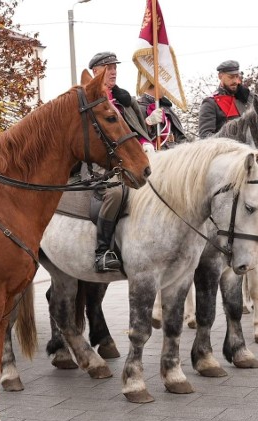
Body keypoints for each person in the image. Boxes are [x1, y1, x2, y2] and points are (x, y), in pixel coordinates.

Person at [88, 51, 153, 272]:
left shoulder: (125, 100)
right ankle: (103, 251)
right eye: (108, 67)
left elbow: (138, 129)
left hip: (131, 158)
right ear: (95, 72)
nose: (113, 71)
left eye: (115, 67)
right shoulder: (91, 101)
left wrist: (146, 142)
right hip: (102, 161)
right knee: (117, 192)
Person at [197, 60, 251, 139]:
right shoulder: (210, 103)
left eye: (237, 76)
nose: (235, 81)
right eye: (231, 77)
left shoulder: (248, 98)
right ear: (220, 76)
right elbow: (205, 137)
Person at [137, 82, 188, 149]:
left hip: (175, 152)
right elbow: (134, 137)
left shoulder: (167, 107)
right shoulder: (137, 107)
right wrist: (147, 123)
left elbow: (180, 136)